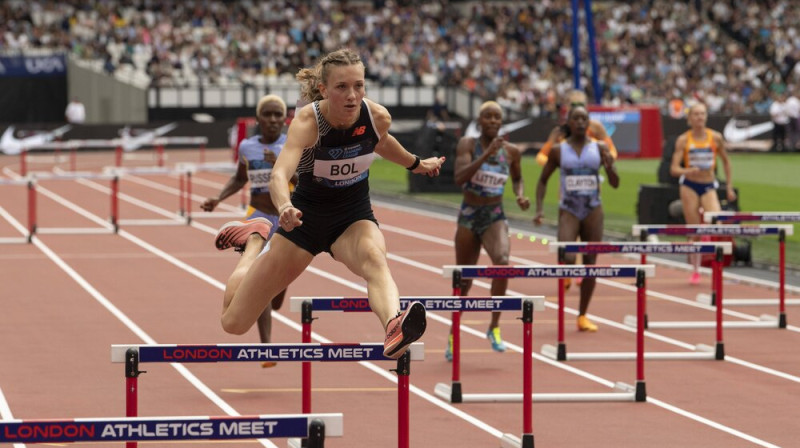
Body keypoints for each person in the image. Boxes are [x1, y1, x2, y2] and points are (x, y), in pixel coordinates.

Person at [214, 48, 445, 359]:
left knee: (375, 258)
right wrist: (283, 207)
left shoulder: (376, 117)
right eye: (342, 87)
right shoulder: (309, 121)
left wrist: (416, 164)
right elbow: (279, 174)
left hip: (352, 218)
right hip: (304, 220)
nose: (352, 96)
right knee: (235, 323)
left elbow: (381, 141)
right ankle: (254, 243)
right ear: (323, 89)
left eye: (359, 86)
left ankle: (393, 324)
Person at [202, 94, 295, 367]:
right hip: (257, 219)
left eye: (278, 115)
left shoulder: (290, 146)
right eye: (267, 114)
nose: (273, 120)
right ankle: (267, 347)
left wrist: (279, 161)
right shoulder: (247, 147)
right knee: (258, 283)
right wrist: (218, 199)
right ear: (258, 119)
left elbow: (303, 181)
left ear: (285, 119)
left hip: (285, 218)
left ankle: (282, 280)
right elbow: (240, 177)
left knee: (276, 298)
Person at [444, 100, 529, 361]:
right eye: (488, 117)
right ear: (480, 122)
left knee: (502, 262)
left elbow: (517, 177)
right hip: (470, 214)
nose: (493, 121)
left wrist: (520, 195)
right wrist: (486, 154)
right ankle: (453, 333)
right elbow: (459, 178)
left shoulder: (512, 151)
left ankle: (494, 326)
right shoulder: (467, 145)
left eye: (497, 117)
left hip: (494, 214)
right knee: (464, 282)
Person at [533, 105, 619, 332]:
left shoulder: (599, 148)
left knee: (590, 265)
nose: (581, 122)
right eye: (576, 119)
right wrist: (540, 209)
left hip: (593, 209)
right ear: (569, 123)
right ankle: (568, 274)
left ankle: (582, 315)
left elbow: (615, 183)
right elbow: (542, 180)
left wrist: (610, 168)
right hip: (569, 209)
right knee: (568, 256)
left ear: (589, 123)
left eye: (584, 119)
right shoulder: (559, 150)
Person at [670, 102, 735, 284]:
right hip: (689, 185)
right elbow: (674, 168)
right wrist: (687, 171)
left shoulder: (715, 137)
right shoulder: (683, 140)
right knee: (695, 230)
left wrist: (729, 186)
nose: (700, 117)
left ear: (706, 117)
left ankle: (716, 266)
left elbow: (726, 162)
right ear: (690, 118)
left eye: (703, 114)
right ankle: (696, 270)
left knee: (717, 222)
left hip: (708, 185)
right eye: (696, 114)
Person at [535, 90, 617, 167]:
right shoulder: (559, 131)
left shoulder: (595, 127)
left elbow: (612, 152)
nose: (577, 108)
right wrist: (560, 163)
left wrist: (597, 161)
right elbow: (541, 156)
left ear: (586, 106)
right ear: (567, 106)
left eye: (581, 104)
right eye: (574, 105)